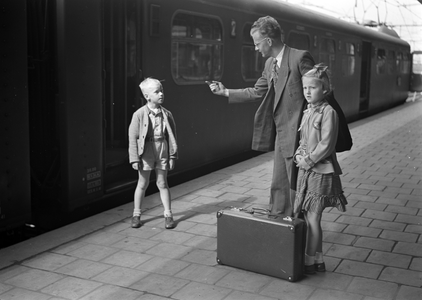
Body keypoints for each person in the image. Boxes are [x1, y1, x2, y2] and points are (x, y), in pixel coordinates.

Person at [208, 16, 315, 217]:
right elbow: (257, 91)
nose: (256, 48)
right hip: (282, 134)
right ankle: (279, 222)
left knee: (297, 187)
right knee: (279, 184)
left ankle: (298, 228)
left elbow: (318, 94)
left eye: (257, 43)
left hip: (301, 137)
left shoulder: (300, 58)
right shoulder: (270, 64)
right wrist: (225, 92)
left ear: (268, 41)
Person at [293, 64, 348, 274]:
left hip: (321, 171)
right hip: (307, 169)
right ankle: (318, 260)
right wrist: (299, 154)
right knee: (309, 217)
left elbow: (326, 145)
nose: (307, 92)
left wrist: (307, 160)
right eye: (305, 88)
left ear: (324, 90)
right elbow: (304, 140)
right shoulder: (308, 111)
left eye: (312, 88)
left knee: (313, 218)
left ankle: (308, 261)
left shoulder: (329, 112)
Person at [128, 78, 178, 229]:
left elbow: (172, 136)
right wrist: (134, 158)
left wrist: (172, 155)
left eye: (162, 90)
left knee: (162, 183)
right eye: (157, 91)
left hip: (162, 148)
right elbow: (133, 137)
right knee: (142, 183)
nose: (161, 94)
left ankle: (168, 215)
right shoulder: (139, 114)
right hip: (147, 151)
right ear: (147, 96)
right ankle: (136, 214)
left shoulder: (167, 114)